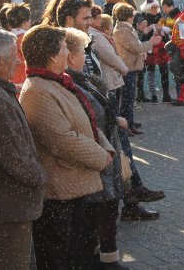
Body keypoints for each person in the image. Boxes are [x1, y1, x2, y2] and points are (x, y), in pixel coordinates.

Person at [19, 24, 115, 269]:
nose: (68, 53)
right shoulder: (38, 90)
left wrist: (106, 148)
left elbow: (88, 118)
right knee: (63, 258)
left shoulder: (58, 82)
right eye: (64, 48)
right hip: (62, 195)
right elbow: (64, 140)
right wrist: (101, 157)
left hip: (78, 188)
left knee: (81, 255)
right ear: (52, 56)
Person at [64, 27, 130, 270]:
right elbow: (91, 121)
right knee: (97, 214)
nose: (86, 56)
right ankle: (101, 260)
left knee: (104, 211)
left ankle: (104, 258)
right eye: (83, 51)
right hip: (97, 160)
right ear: (71, 56)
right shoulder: (74, 85)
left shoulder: (84, 81)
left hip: (102, 157)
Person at [0, 29, 47, 269]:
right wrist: (41, 177)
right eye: (14, 55)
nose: (19, 61)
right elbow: (14, 155)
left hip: (6, 204)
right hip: (6, 207)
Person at [113, 3, 162, 134]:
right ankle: (126, 125)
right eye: (133, 15)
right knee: (127, 99)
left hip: (131, 67)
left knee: (130, 98)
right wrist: (151, 43)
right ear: (128, 16)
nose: (134, 17)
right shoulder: (122, 30)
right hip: (127, 67)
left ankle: (130, 122)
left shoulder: (127, 29)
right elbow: (136, 47)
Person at [140, 0, 172, 103]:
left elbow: (168, 32)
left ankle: (166, 94)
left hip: (161, 47)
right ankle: (153, 95)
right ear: (148, 8)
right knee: (151, 72)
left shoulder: (162, 17)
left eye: (156, 7)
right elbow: (142, 36)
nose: (155, 9)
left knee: (164, 71)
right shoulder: (144, 19)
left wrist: (162, 32)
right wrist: (152, 33)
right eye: (152, 7)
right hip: (150, 48)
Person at [89, 6, 129, 94]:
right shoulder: (96, 35)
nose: (101, 20)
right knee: (112, 104)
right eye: (99, 18)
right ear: (91, 19)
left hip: (109, 75)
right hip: (107, 77)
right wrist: (124, 69)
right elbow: (109, 56)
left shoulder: (98, 33)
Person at [4, 2, 31, 86]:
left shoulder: (4, 39)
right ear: (24, 22)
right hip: (24, 82)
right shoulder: (27, 39)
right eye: (29, 20)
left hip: (8, 82)